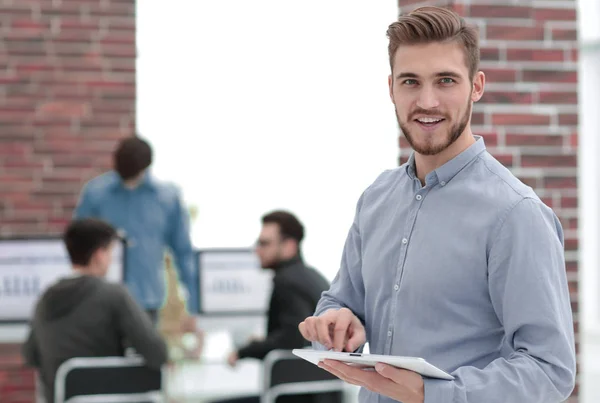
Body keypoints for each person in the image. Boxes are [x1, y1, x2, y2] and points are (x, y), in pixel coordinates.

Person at [298, 6, 576, 403]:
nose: (427, 101)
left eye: (446, 80)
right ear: (391, 87)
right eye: (411, 82)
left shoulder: (516, 215)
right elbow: (343, 299)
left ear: (476, 86)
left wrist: (434, 393)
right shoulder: (376, 199)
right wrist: (337, 323)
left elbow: (550, 371)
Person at [22, 218, 168, 403]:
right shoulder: (113, 295)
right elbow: (157, 353)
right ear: (99, 255)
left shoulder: (45, 298)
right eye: (110, 253)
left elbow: (30, 355)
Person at [74, 136, 196, 325]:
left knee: (145, 354)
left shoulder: (167, 199)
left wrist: (194, 304)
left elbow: (183, 251)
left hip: (146, 301)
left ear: (145, 167)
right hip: (100, 300)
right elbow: (77, 247)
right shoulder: (96, 194)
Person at [219, 211, 333, 403]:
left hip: (298, 395)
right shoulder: (313, 277)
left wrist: (243, 351)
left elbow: (291, 340)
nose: (257, 250)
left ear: (289, 246)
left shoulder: (286, 281)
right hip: (324, 392)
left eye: (264, 243)